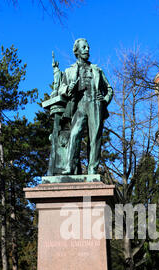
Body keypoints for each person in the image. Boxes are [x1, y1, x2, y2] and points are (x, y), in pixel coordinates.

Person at [58, 38, 113, 175]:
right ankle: (70, 167)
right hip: (80, 105)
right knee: (75, 134)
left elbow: (109, 89)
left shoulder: (96, 70)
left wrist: (105, 100)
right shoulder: (69, 71)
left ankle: (92, 169)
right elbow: (61, 88)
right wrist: (67, 89)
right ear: (76, 51)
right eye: (83, 48)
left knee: (94, 137)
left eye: (87, 47)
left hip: (95, 103)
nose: (87, 50)